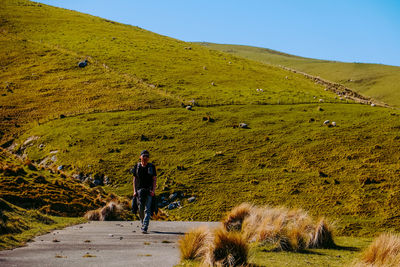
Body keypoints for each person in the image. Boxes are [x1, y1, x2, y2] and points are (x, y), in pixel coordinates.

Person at [132, 150, 157, 233]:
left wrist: (153, 190)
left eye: (147, 156)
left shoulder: (151, 167)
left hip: (149, 190)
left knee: (148, 209)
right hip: (139, 191)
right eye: (144, 156)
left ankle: (145, 226)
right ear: (140, 157)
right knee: (140, 209)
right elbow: (134, 179)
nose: (145, 157)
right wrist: (134, 191)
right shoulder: (137, 166)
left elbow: (154, 179)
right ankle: (143, 223)